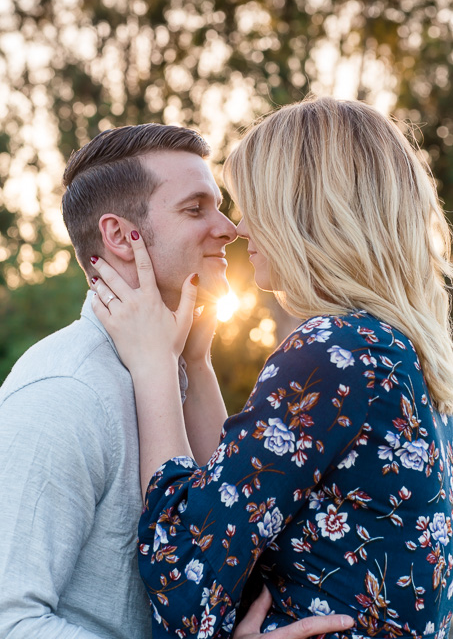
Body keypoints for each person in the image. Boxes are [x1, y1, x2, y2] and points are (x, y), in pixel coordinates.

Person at [91, 97, 453, 639]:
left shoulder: (336, 348)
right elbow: (238, 497)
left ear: (305, 211)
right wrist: (195, 362)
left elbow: (186, 576)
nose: (236, 228)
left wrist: (154, 366)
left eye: (252, 202)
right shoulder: (391, 350)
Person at [0, 121, 352, 639]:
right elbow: (11, 619)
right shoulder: (63, 393)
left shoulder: (178, 371)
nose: (229, 229)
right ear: (120, 236)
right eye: (195, 210)